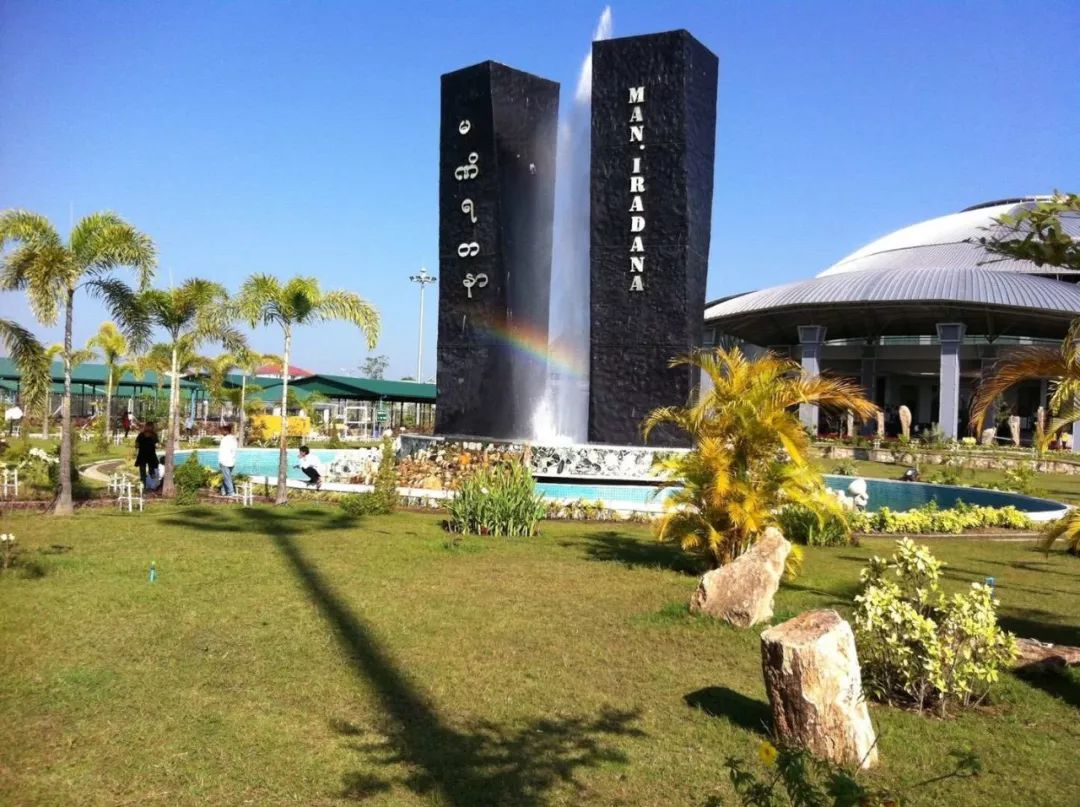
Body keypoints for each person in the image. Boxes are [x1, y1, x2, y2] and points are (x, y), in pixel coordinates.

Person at [134, 422, 160, 489]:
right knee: (152, 471)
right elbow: (157, 446)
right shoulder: (154, 435)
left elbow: (136, 445)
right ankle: (152, 485)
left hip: (142, 454)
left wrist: (141, 445)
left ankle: (144, 485)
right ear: (152, 427)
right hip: (151, 454)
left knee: (143, 471)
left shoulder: (141, 435)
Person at [218, 424, 238, 496]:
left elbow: (223, 451)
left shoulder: (225, 439)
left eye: (222, 431)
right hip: (231, 461)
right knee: (227, 477)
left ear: (226, 431)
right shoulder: (233, 439)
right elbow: (234, 450)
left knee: (227, 477)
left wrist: (220, 461)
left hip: (225, 461)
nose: (221, 432)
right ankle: (223, 491)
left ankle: (230, 492)